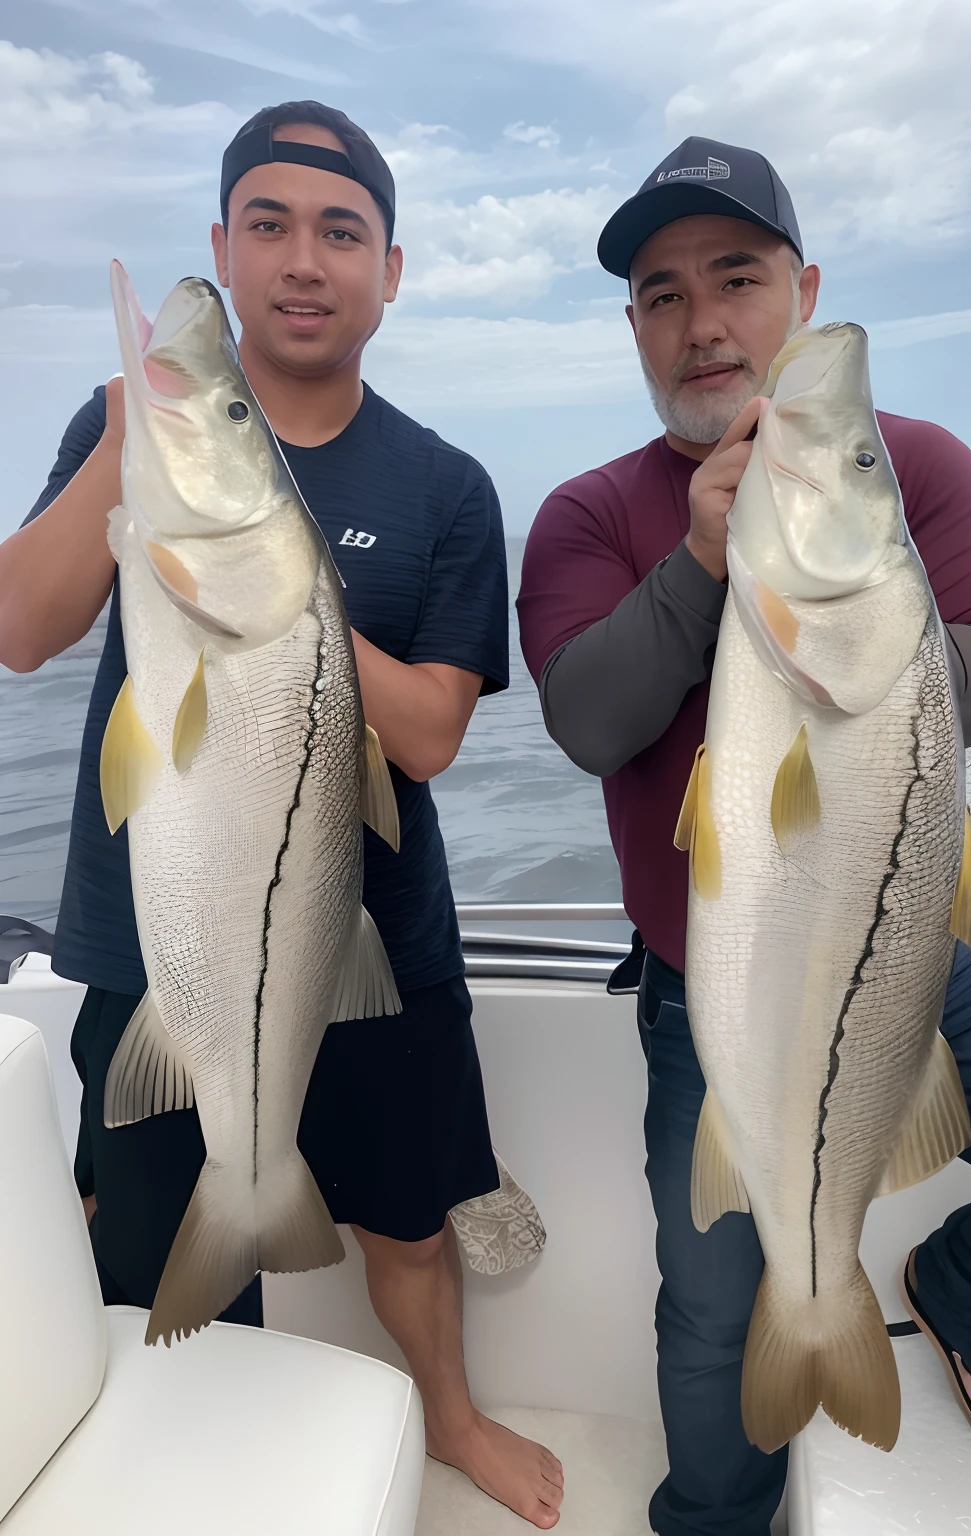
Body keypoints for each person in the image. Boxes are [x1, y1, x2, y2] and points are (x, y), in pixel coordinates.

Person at [517, 136, 971, 1536]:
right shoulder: (588, 514)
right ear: (635, 327)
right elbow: (585, 718)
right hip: (714, 986)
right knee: (710, 1308)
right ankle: (715, 1516)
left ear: (800, 290)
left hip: (935, 941)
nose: (704, 323)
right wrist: (700, 563)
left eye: (736, 278)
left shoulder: (910, 469)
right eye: (663, 295)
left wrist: (867, 609)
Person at [0, 100, 563, 1531]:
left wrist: (274, 575)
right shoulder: (131, 422)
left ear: (390, 269)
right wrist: (141, 444)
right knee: (149, 1251)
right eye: (269, 224)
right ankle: (197, 1466)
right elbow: (21, 626)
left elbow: (431, 731)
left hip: (376, 939)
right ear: (223, 247)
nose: (303, 260)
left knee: (411, 1221)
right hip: (160, 935)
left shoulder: (442, 485)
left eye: (341, 231)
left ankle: (449, 1418)